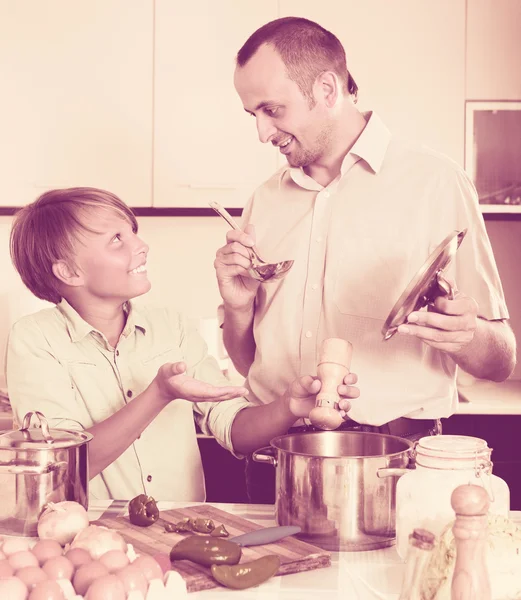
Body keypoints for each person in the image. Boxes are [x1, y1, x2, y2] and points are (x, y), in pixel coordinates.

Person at [214, 17, 517, 502]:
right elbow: (250, 363)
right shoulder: (265, 201)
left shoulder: (435, 183)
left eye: (272, 109)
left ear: (328, 89)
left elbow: (501, 360)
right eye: (252, 113)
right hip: (277, 460)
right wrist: (236, 310)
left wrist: (468, 335)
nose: (261, 132)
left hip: (397, 464)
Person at [6, 187, 359, 502]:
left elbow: (235, 430)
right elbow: (61, 468)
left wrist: (289, 407)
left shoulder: (170, 326)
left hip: (180, 534)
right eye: (116, 239)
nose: (140, 245)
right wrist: (158, 394)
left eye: (133, 233)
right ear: (69, 273)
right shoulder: (36, 340)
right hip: (91, 535)